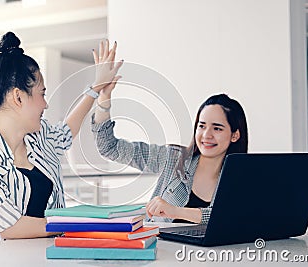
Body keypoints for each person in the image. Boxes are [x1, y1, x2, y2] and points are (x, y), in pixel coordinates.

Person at [0, 33, 122, 246]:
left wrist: (96, 88)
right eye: (42, 94)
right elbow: (10, 226)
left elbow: (66, 133)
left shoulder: (37, 136)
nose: (45, 104)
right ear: (18, 97)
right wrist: (76, 223)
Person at [91, 77, 248, 223]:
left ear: (234, 135)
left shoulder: (240, 179)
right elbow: (109, 148)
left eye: (217, 128)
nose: (206, 135)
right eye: (202, 126)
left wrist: (175, 211)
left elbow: (227, 219)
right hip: (161, 251)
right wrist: (104, 97)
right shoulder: (172, 158)